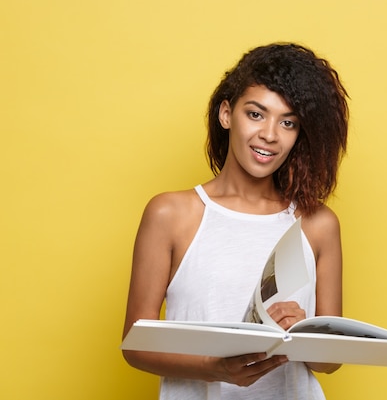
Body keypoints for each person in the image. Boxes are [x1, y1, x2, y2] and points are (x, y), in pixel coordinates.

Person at [122, 42, 349, 400]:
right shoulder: (171, 215)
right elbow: (135, 346)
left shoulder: (318, 223)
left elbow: (330, 362)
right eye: (256, 114)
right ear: (226, 114)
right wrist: (214, 368)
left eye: (287, 122)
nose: (270, 135)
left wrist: (303, 333)